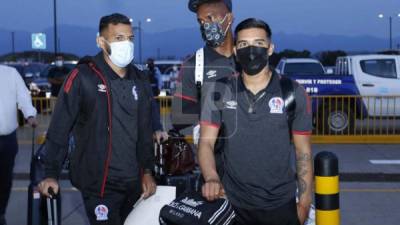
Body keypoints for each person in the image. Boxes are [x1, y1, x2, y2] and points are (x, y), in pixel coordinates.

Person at [38, 13, 156, 225]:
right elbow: (60, 127)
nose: (126, 44)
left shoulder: (140, 79)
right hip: (100, 184)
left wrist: (147, 171)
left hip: (135, 182)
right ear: (101, 42)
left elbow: (145, 129)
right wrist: (51, 173)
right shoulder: (83, 77)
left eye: (130, 38)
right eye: (119, 38)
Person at [198, 18, 313, 225]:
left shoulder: (293, 92)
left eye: (258, 44)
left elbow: (302, 152)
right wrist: (211, 177)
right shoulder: (218, 90)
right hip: (231, 204)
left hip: (280, 205)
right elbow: (206, 142)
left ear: (270, 48)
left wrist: (304, 203)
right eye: (243, 44)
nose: (251, 50)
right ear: (235, 50)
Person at [171, 0, 236, 176]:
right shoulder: (194, 65)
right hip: (214, 167)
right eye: (201, 21)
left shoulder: (250, 59)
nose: (205, 25)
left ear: (229, 18)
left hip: (255, 163)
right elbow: (178, 117)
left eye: (210, 17)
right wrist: (213, 104)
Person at [0, 65, 38, 225]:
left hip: (6, 140)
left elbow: (23, 96)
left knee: (4, 180)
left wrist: (30, 114)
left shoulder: (10, 73)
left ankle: (0, 213)